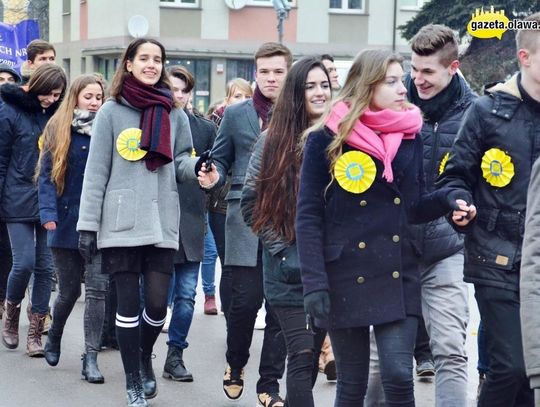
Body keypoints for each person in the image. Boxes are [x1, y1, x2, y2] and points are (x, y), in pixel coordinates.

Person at [295, 49, 469, 406]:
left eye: (400, 78)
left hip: (397, 268)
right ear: (367, 86)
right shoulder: (325, 138)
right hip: (344, 271)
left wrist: (449, 197)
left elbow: (415, 205)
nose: (403, 87)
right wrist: (314, 283)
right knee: (353, 382)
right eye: (391, 81)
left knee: (398, 374)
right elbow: (309, 215)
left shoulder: (409, 134)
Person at [76, 38, 217, 407]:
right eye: (144, 59)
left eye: (157, 59)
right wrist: (87, 225)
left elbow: (182, 162)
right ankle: (133, 381)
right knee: (126, 305)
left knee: (157, 306)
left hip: (161, 220)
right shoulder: (110, 111)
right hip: (120, 222)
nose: (152, 65)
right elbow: (96, 173)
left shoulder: (174, 112)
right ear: (130, 63)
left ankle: (142, 356)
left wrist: (199, 167)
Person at [438, 12, 540, 407]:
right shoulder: (487, 110)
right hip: (497, 257)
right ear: (525, 57)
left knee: (531, 380)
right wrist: (458, 203)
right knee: (512, 367)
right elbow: (455, 175)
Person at [242, 56, 331, 407]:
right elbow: (250, 203)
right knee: (302, 350)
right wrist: (283, 252)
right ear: (296, 92)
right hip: (286, 270)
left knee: (307, 360)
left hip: (328, 268)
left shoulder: (341, 136)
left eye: (324, 84)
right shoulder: (272, 140)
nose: (320, 92)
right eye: (310, 86)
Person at [210, 42, 290, 406]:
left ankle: (269, 383)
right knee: (243, 305)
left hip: (287, 221)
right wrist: (213, 174)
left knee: (280, 308)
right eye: (265, 71)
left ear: (289, 73)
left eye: (278, 71)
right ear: (255, 73)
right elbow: (221, 157)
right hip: (243, 219)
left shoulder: (300, 113)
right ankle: (235, 363)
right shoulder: (236, 113)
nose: (271, 78)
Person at [37, 74, 109, 383]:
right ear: (75, 98)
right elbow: (45, 178)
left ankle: (90, 357)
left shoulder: (109, 129)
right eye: (88, 96)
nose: (94, 102)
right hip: (65, 222)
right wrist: (48, 214)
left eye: (98, 97)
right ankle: (54, 334)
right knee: (68, 291)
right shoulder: (58, 127)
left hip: (100, 224)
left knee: (97, 290)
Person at [0, 64, 66, 357]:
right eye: (48, 93)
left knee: (45, 267)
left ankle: (36, 332)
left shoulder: (57, 114)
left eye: (57, 95)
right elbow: (1, 159)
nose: (52, 99)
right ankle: (11, 314)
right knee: (23, 262)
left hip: (49, 198)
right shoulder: (9, 109)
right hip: (15, 197)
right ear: (35, 84)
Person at [161, 65, 216, 382]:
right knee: (153, 298)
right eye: (172, 89)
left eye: (183, 90)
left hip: (194, 218)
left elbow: (216, 172)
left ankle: (175, 355)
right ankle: (141, 354)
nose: (178, 95)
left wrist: (211, 182)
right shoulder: (153, 122)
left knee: (186, 295)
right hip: (159, 218)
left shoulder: (205, 128)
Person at [207, 77, 253, 320]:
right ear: (227, 100)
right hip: (223, 201)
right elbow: (217, 159)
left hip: (251, 200)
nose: (243, 102)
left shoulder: (258, 121)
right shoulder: (218, 122)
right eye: (238, 96)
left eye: (247, 96)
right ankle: (231, 319)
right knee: (228, 265)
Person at [0, 63, 20, 319]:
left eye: (9, 79)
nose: (4, 83)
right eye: (0, 78)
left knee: (6, 250)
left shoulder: (17, 113)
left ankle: (3, 296)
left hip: (10, 190)